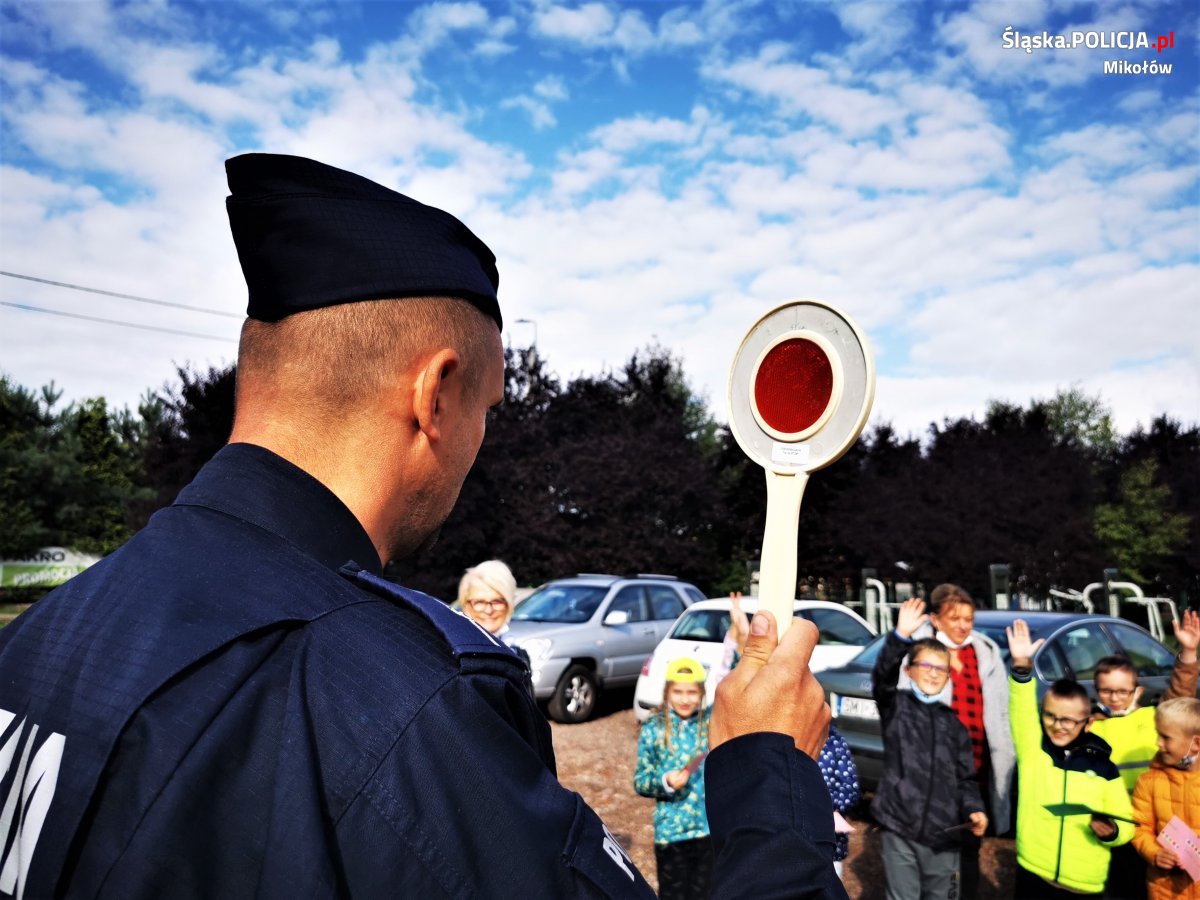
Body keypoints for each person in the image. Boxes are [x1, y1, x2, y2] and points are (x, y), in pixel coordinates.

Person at [0, 153, 847, 899]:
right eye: (488, 407)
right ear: (434, 396)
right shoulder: (401, 710)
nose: (481, 439)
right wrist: (767, 776)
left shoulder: (42, 637)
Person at [1006, 619, 1134, 898]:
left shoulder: (1104, 768)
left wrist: (1112, 831)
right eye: (1050, 716)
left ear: (1087, 723)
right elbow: (1021, 710)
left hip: (1083, 883)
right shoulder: (1034, 751)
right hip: (1033, 871)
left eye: (1068, 720)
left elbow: (1126, 823)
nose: (1058, 726)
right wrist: (1022, 669)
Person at [904, 583, 1015, 898]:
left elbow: (1001, 710)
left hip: (975, 770)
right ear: (936, 619)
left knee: (968, 848)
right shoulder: (918, 652)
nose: (964, 626)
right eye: (955, 618)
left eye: (968, 618)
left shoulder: (984, 652)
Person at [872, 598, 987, 900]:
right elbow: (882, 677)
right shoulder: (896, 707)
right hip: (900, 828)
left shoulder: (955, 726)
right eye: (926, 665)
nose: (934, 673)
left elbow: (966, 779)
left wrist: (974, 808)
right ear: (909, 670)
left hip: (944, 834)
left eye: (941, 669)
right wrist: (900, 637)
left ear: (948, 677)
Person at [1089, 610, 1200, 899]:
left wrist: (1188, 653)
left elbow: (1180, 695)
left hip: (1159, 823)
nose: (1115, 698)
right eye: (1106, 691)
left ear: (1136, 691)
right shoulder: (1092, 729)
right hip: (1118, 826)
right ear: (1096, 691)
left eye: (1122, 691)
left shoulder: (1153, 718)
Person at [634, 657, 713, 900]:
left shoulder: (710, 725)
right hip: (671, 835)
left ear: (702, 693)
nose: (685, 699)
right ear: (667, 691)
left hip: (707, 832)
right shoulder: (653, 729)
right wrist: (665, 781)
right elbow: (640, 780)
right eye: (678, 692)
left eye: (692, 692)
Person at [1131, 697, 1200, 900]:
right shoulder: (1149, 781)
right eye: (1157, 734)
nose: (1158, 743)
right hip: (1165, 890)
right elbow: (1139, 826)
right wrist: (1154, 853)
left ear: (1196, 743)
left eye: (1166, 737)